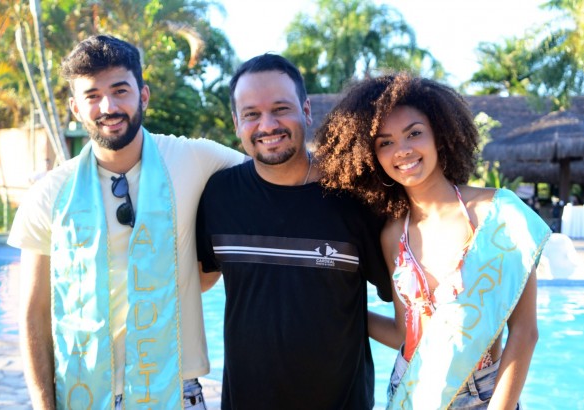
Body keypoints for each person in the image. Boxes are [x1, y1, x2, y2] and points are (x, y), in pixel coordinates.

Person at [7, 35, 244, 409]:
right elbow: (35, 314)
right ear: (76, 107)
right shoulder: (51, 194)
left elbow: (269, 174)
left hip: (176, 391)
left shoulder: (193, 159)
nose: (108, 107)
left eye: (120, 91)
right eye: (92, 96)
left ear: (143, 95)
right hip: (83, 394)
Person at [315, 73, 551, 409]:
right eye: (385, 143)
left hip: (484, 394)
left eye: (414, 133)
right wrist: (335, 308)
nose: (403, 150)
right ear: (372, 156)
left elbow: (525, 332)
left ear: (438, 134)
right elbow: (404, 334)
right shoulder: (393, 235)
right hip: (410, 390)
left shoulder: (498, 213)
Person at [195, 54, 394, 409]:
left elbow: (409, 308)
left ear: (306, 110)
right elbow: (200, 280)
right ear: (236, 122)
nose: (267, 125)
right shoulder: (218, 195)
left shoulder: (356, 200)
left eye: (280, 109)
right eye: (251, 114)